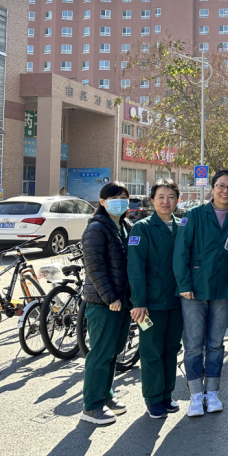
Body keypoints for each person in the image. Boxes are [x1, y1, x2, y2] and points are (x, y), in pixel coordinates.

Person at [173, 170, 228, 418]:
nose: (225, 191)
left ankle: (212, 392)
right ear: (213, 188)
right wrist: (184, 284)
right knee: (193, 345)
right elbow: (181, 251)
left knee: (215, 344)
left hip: (223, 288)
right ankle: (195, 395)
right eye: (221, 185)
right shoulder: (193, 215)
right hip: (194, 289)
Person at [127, 179, 183, 419]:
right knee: (151, 351)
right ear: (152, 200)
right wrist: (138, 302)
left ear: (178, 200)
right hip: (150, 304)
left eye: (170, 197)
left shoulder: (183, 226)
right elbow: (135, 267)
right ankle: (153, 398)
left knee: (171, 349)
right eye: (160, 197)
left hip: (177, 301)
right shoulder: (142, 228)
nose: (165, 201)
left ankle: (166, 394)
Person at [79, 182, 134, 426]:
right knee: (100, 353)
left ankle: (106, 396)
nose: (119, 202)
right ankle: (92, 406)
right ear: (102, 202)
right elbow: (95, 268)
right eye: (114, 198)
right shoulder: (96, 228)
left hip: (123, 301)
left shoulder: (125, 226)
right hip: (105, 302)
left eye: (123, 197)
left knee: (113, 351)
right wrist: (110, 297)